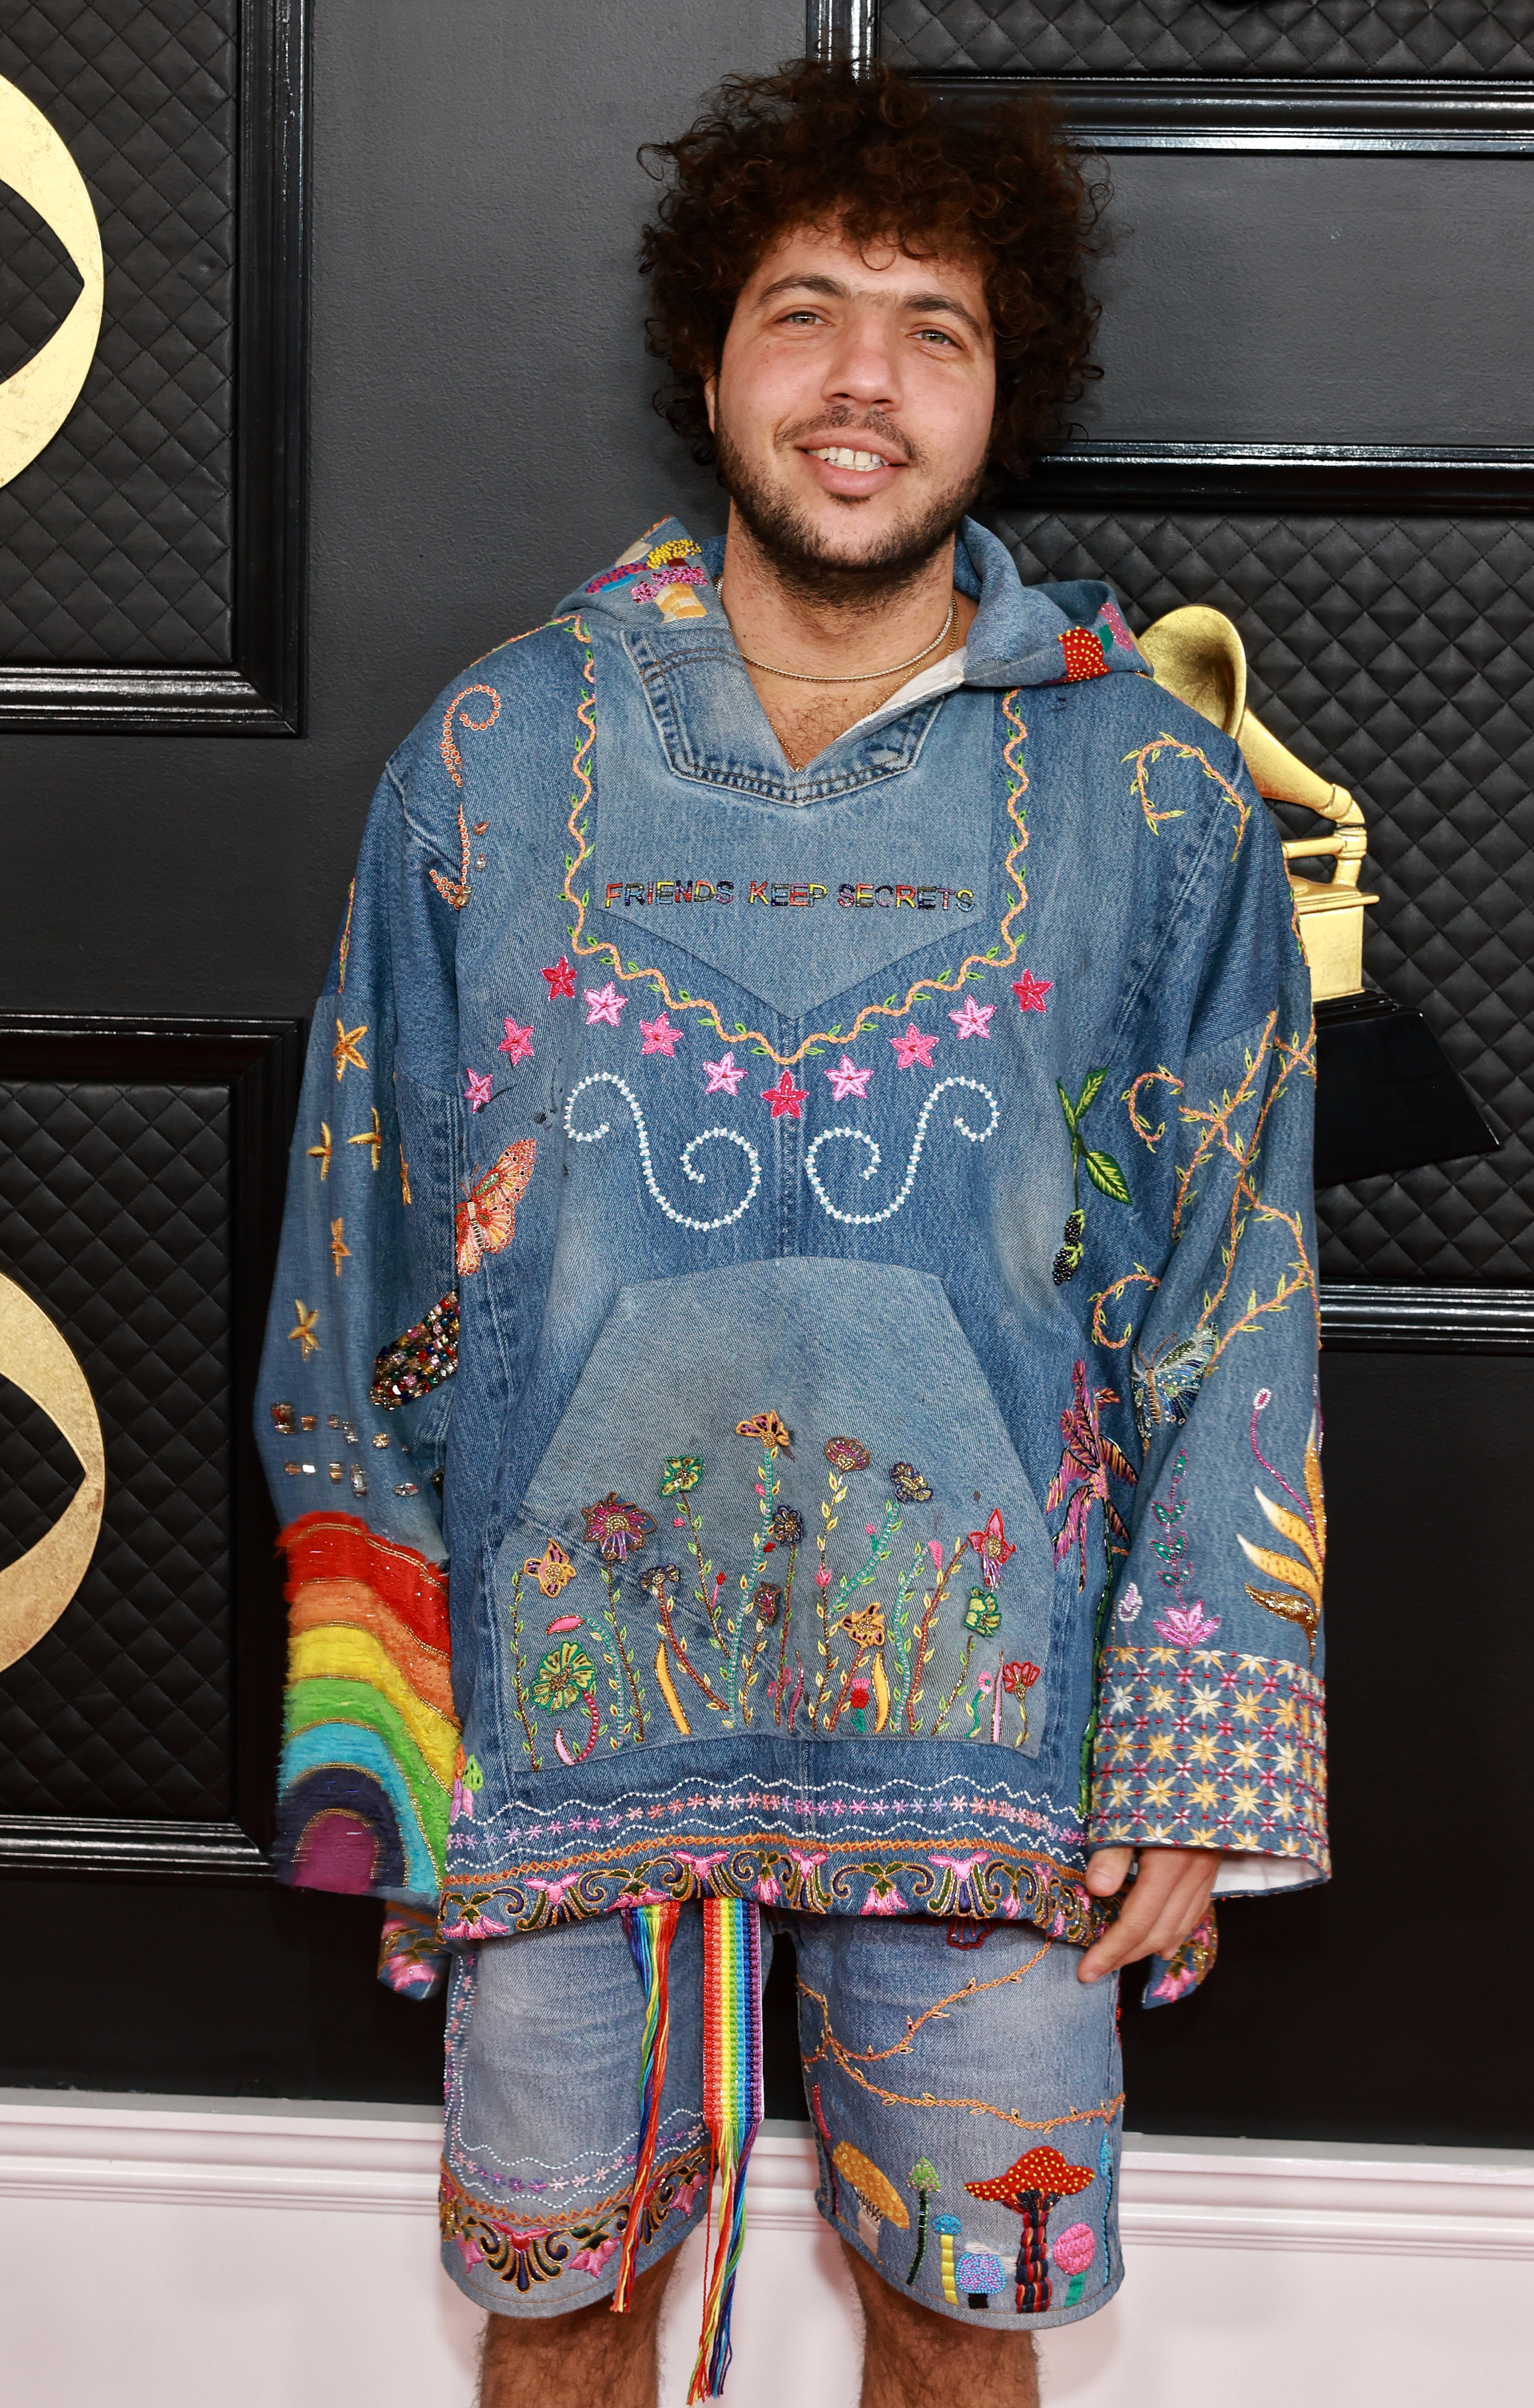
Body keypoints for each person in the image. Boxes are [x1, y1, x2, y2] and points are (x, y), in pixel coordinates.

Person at [256, 59, 1327, 2408]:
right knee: (561, 2324)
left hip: (997, 1743)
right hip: (559, 1736)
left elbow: (1227, 1271)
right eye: (804, 311)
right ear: (711, 360)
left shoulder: (1145, 784)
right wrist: (397, 1732)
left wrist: (1189, 1743)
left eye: (930, 326)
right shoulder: (492, 757)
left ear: (1000, 380)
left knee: (966, 2321)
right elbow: (360, 1258)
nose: (862, 381)